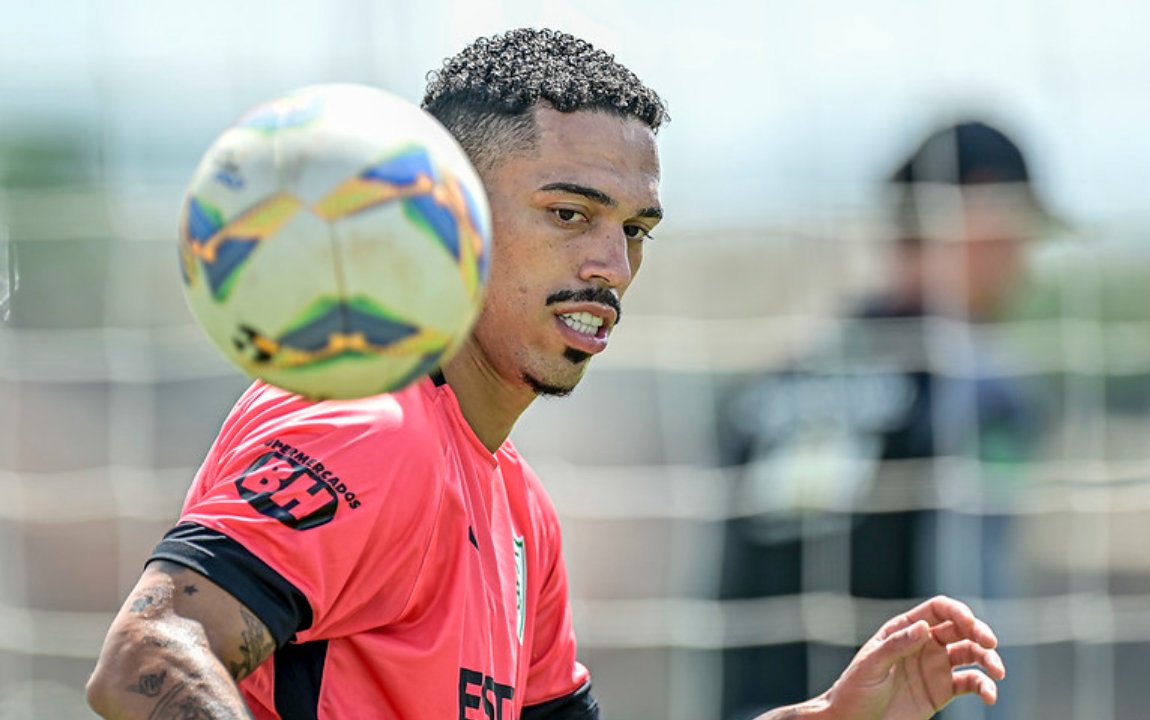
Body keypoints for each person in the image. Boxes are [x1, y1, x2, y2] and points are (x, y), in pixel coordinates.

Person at [86, 30, 1005, 720]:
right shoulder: (372, 423)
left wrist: (825, 718)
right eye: (570, 214)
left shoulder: (522, 513)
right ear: (450, 216)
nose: (611, 262)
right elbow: (145, 659)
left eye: (635, 230)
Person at [719, 120, 1049, 719]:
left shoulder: (766, 391)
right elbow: (978, 597)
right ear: (978, 218)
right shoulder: (975, 391)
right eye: (1022, 234)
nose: (1025, 265)